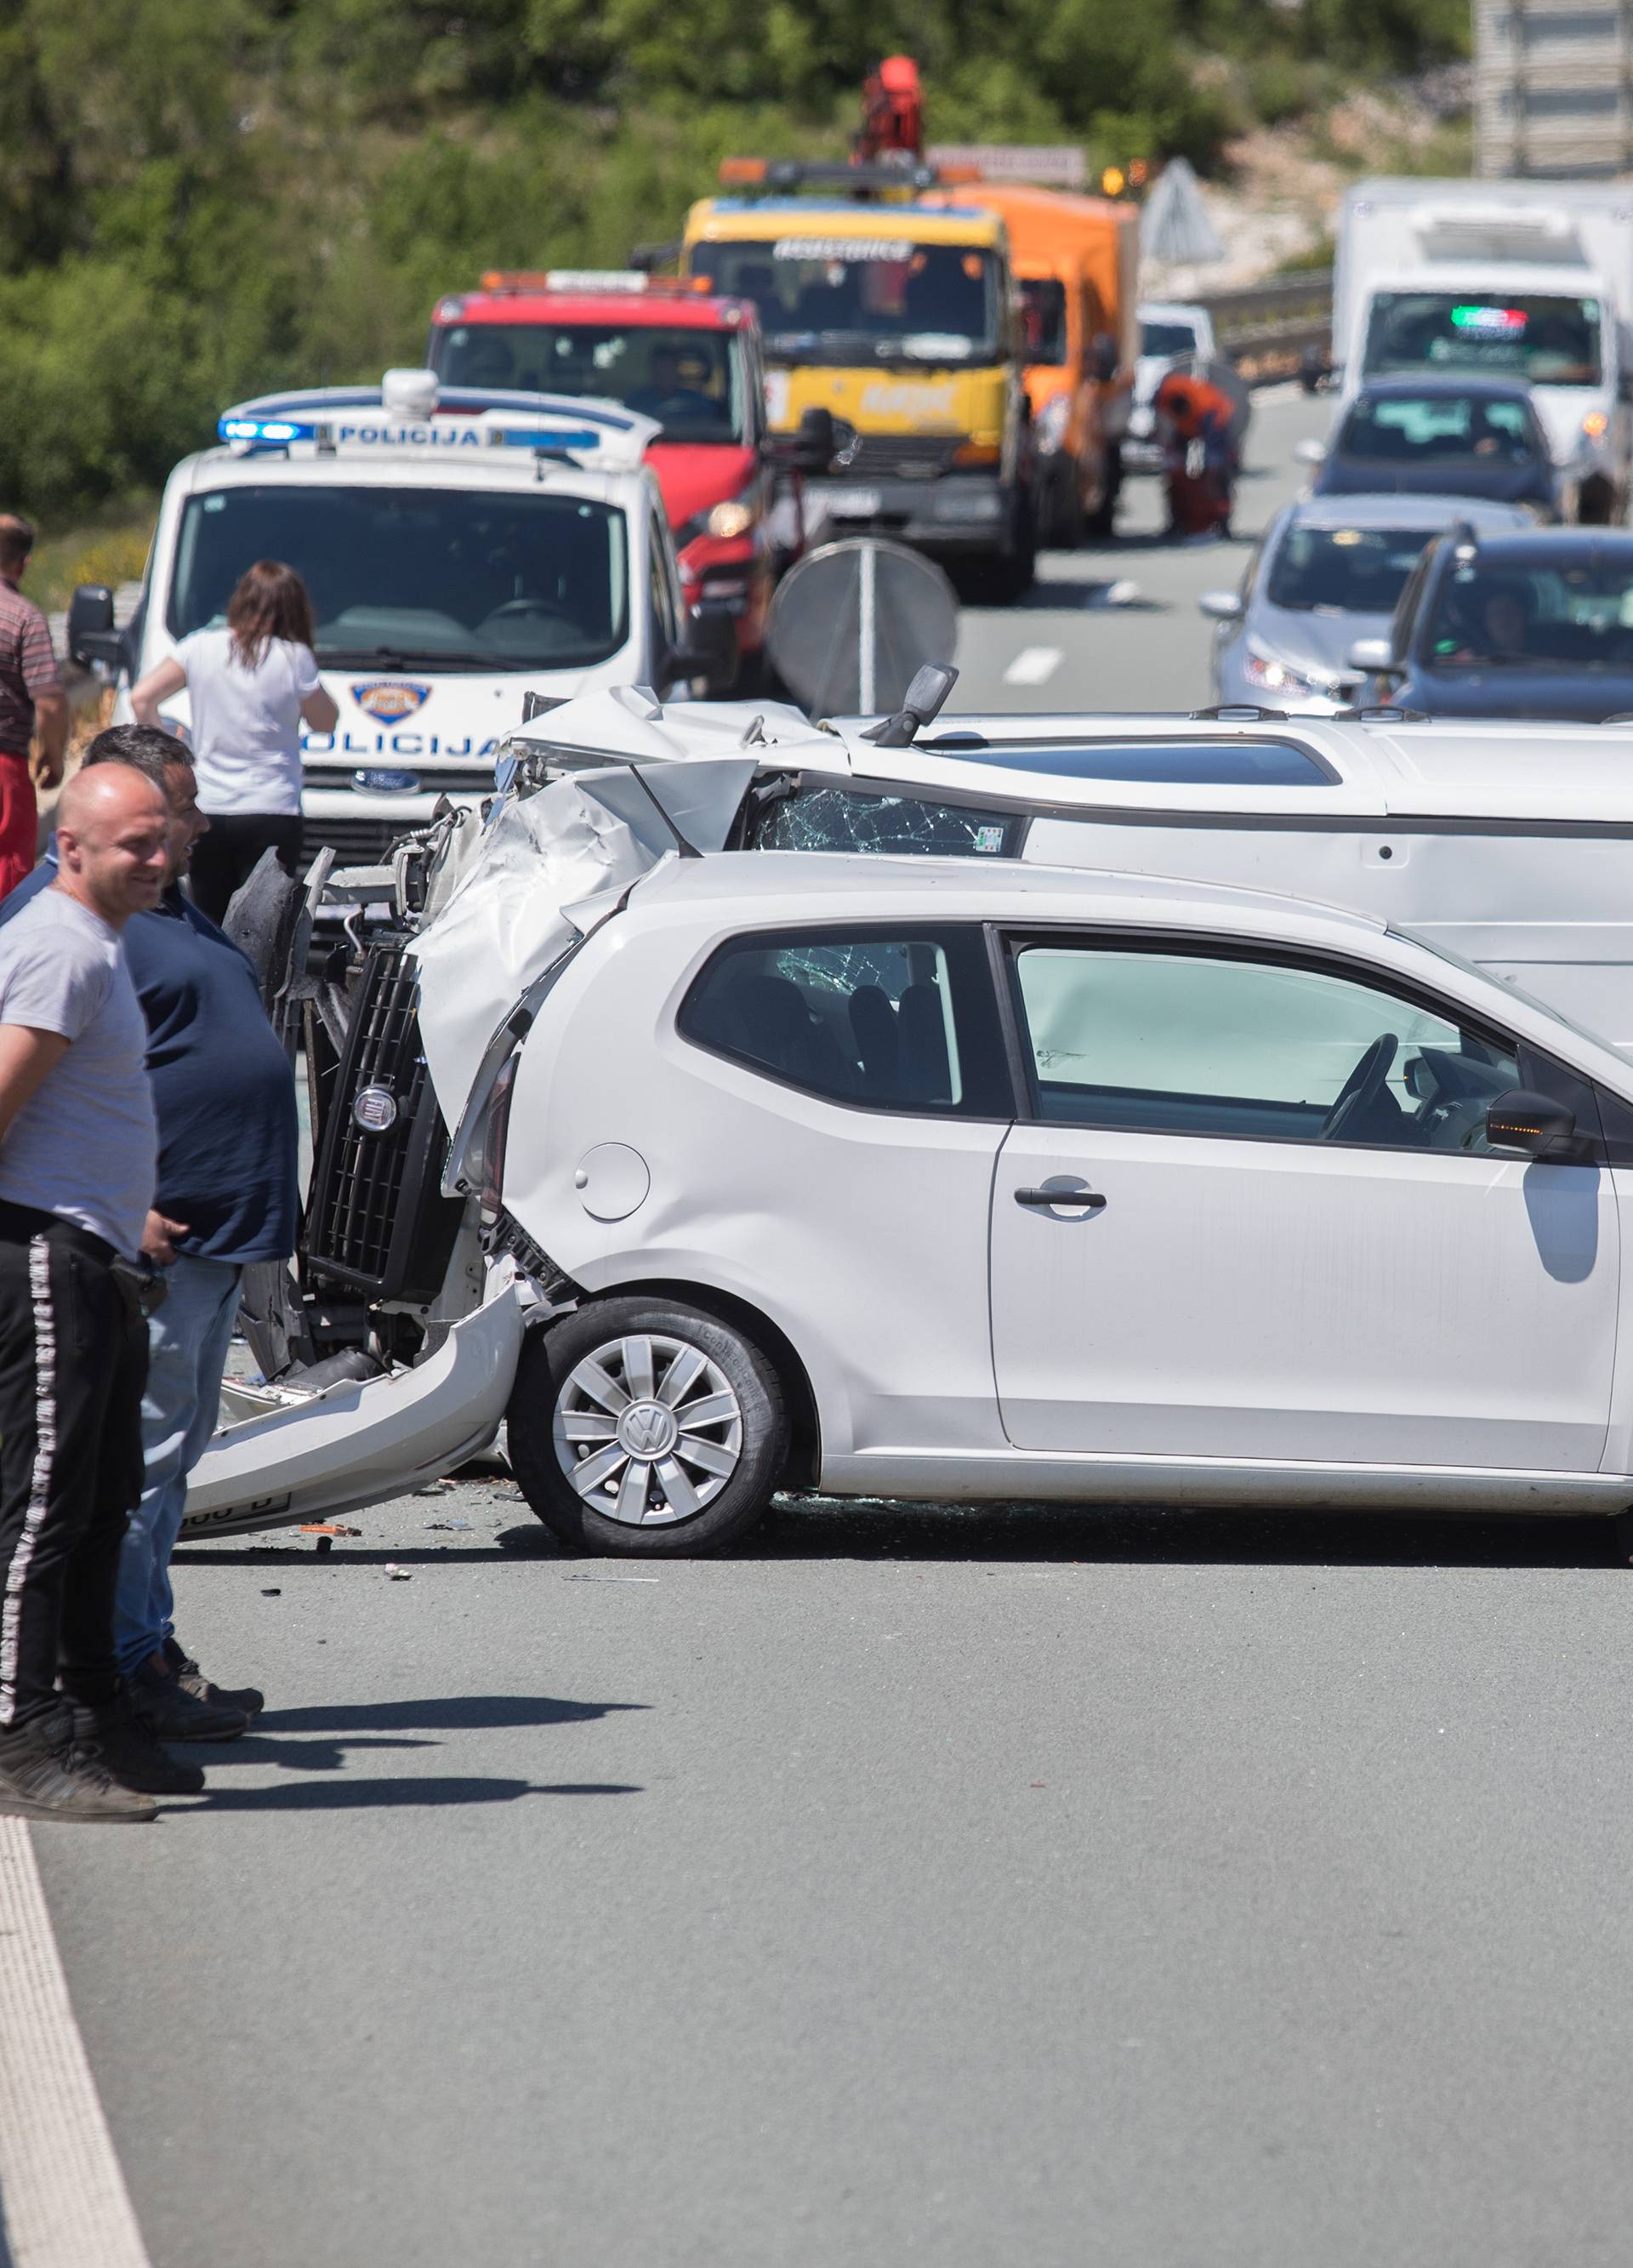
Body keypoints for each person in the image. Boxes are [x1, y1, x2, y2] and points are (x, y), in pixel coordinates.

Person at [2, 725, 298, 1742]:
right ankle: (104, 1680)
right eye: (164, 820)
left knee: (161, 1465)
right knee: (105, 1479)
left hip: (207, 1235)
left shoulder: (158, 910)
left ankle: (136, 1653)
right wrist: (121, 1204)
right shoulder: (68, 933)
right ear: (89, 834)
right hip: (128, 1248)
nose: (188, 835)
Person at [0, 766, 175, 1822]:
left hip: (97, 1248)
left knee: (105, 1499)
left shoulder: (96, 942)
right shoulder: (60, 950)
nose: (156, 858)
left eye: (163, 839)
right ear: (72, 846)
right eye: (133, 845)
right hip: (45, 1260)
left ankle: (93, 1712)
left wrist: (132, 1206)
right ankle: (20, 1736)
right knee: (39, 1511)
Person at [129, 559, 338, 924]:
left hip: (209, 806)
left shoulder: (199, 647)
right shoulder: (294, 657)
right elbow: (325, 722)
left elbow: (142, 698)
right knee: (265, 925)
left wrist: (173, 753)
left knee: (208, 917)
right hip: (273, 806)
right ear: (293, 607)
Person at [0, 516, 68, 900]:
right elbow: (50, 701)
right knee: (7, 867)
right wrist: (54, 757)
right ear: (22, 563)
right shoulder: (24, 617)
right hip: (4, 766)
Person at [1155, 370, 1238, 540]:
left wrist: (1208, 478)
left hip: (1213, 423)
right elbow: (1160, 425)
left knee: (1216, 473)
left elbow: (1214, 459)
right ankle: (1177, 519)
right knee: (1174, 474)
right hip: (1182, 427)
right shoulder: (1165, 396)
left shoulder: (1211, 410)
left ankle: (1222, 521)